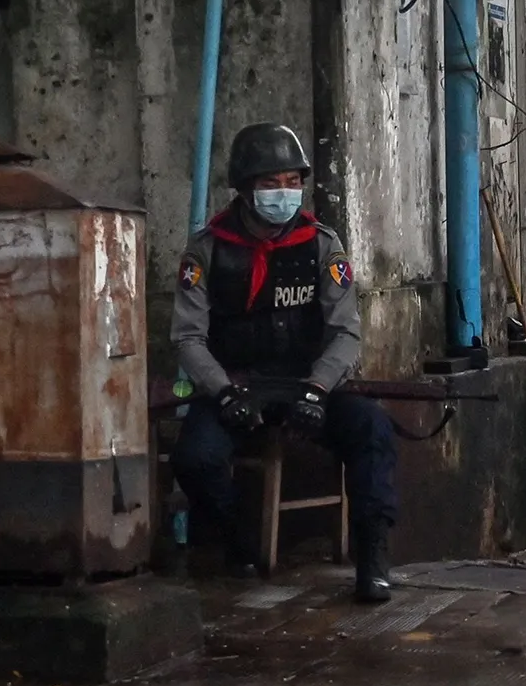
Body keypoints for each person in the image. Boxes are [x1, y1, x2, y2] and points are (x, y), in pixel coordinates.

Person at [170, 122, 400, 604]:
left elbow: (345, 332)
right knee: (195, 458)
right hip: (236, 384)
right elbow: (188, 338)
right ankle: (239, 547)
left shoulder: (320, 244)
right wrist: (222, 390)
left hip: (305, 385)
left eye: (293, 182)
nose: (284, 193)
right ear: (245, 188)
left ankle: (373, 559)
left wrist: (318, 388)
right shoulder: (207, 249)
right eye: (271, 184)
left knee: (372, 430)